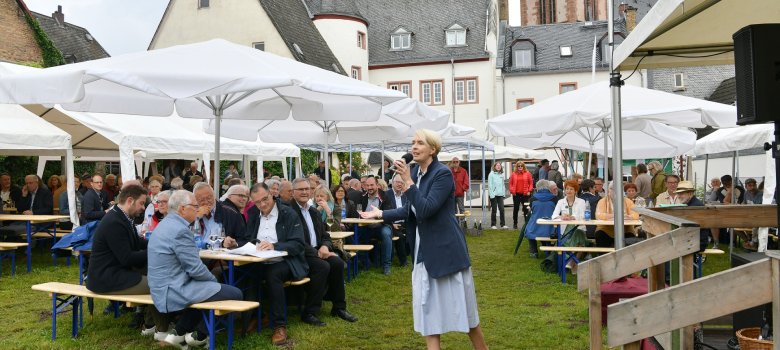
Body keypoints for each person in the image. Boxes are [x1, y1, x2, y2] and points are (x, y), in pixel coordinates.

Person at [359, 129, 487, 350]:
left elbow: (426, 209)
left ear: (433, 149)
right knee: (428, 311)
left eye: (420, 143)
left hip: (446, 251)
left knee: (466, 314)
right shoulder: (417, 172)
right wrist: (380, 214)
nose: (414, 147)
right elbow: (411, 209)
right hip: (423, 250)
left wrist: (408, 182)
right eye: (413, 143)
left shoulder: (442, 174)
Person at [148, 190, 243, 348]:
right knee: (235, 293)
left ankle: (178, 333)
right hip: (173, 290)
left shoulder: (165, 224)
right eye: (195, 206)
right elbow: (195, 269)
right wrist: (213, 282)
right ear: (183, 209)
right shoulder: (180, 230)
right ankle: (199, 335)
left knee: (209, 291)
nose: (198, 209)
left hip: (162, 286)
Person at [86, 184, 162, 333]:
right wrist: (155, 251)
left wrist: (158, 244)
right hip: (106, 279)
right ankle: (159, 328)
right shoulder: (115, 221)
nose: (142, 207)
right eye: (141, 203)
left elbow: (136, 241)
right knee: (160, 284)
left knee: (158, 275)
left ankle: (153, 325)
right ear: (129, 200)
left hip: (113, 273)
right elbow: (127, 258)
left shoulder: (121, 216)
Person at [236, 183, 306, 345]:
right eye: (258, 202)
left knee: (273, 274)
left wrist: (275, 246)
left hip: (286, 261)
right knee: (242, 272)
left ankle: (279, 325)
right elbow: (248, 238)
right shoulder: (254, 213)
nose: (262, 204)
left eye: (265, 199)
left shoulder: (288, 213)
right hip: (259, 260)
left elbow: (298, 244)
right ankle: (254, 317)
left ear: (272, 194)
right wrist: (235, 244)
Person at [289, 178, 357, 327]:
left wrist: (325, 247)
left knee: (338, 262)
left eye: (308, 189)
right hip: (300, 255)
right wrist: (317, 252)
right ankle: (310, 312)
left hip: (318, 251)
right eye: (301, 189)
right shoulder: (289, 211)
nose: (305, 192)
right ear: (293, 192)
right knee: (323, 266)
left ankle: (339, 308)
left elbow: (325, 235)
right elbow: (294, 240)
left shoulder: (313, 211)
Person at [357, 175, 395, 275]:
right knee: (354, 234)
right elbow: (357, 212)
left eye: (372, 185)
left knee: (386, 234)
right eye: (367, 185)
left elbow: (389, 214)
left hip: (381, 225)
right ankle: (365, 262)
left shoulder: (385, 197)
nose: (369, 187)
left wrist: (376, 216)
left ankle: (386, 265)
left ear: (377, 185)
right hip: (366, 226)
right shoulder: (362, 197)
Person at [594, 183, 640, 248]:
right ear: (609, 190)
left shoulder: (628, 201)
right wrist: (617, 216)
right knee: (600, 235)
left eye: (618, 189)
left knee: (631, 236)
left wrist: (629, 217)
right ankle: (604, 257)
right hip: (605, 229)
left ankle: (628, 257)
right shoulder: (602, 201)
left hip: (625, 229)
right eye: (612, 189)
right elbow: (599, 215)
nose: (615, 191)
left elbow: (636, 215)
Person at [674, 181, 711, 253]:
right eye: (678, 193)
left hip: (697, 243)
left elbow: (691, 229)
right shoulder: (691, 204)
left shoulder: (695, 207)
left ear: (690, 193)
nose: (678, 196)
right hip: (693, 240)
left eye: (681, 193)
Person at [524, 180, 557, 257]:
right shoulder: (554, 198)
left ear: (537, 187)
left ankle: (533, 252)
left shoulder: (533, 199)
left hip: (536, 226)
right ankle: (548, 250)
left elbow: (532, 210)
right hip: (550, 227)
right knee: (545, 231)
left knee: (529, 229)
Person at [386, 174, 409, 266]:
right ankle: (403, 261)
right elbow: (384, 211)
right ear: (392, 183)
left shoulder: (406, 195)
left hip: (405, 222)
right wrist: (391, 224)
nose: (400, 184)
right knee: (400, 236)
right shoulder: (386, 195)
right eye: (397, 182)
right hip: (392, 223)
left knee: (416, 230)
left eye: (401, 182)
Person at [509, 161, 533, 229]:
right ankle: (515, 223)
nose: (520, 167)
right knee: (516, 209)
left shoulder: (528, 173)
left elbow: (531, 183)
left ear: (523, 166)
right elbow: (510, 183)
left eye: (521, 166)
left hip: (525, 194)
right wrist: (512, 190)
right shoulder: (513, 174)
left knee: (526, 209)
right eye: (518, 166)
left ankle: (526, 224)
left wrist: (529, 190)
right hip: (516, 194)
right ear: (516, 167)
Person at [488, 162, 507, 229]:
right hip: (494, 195)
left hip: (500, 195)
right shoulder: (491, 174)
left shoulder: (501, 174)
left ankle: (503, 224)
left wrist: (503, 194)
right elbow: (490, 185)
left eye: (500, 165)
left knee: (502, 209)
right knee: (494, 210)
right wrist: (492, 195)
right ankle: (493, 225)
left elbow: (503, 185)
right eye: (497, 165)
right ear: (494, 166)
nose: (499, 166)